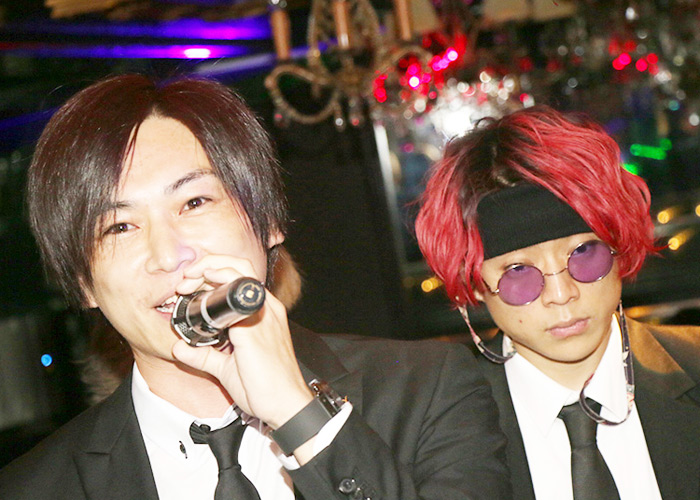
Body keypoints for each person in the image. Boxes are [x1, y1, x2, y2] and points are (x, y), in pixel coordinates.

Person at [0, 74, 511, 500]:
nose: (169, 255)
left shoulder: (426, 390)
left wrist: (299, 415)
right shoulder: (34, 487)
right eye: (119, 227)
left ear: (268, 222)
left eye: (194, 203)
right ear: (83, 283)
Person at [415, 105, 700, 500]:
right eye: (518, 272)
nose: (562, 294)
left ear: (618, 247)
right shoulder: (434, 432)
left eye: (583, 253)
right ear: (475, 284)